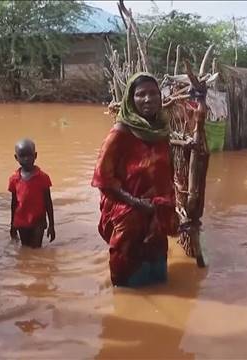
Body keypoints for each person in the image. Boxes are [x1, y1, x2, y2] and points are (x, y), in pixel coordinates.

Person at [92, 73, 178, 287]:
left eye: (153, 93)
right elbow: (103, 178)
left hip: (156, 214)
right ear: (131, 100)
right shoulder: (120, 132)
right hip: (129, 215)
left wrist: (163, 205)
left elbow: (168, 172)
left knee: (158, 277)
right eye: (141, 94)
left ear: (160, 97)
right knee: (127, 279)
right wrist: (137, 203)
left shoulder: (161, 131)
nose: (148, 99)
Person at [8, 139, 56, 248]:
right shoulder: (14, 179)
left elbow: (48, 203)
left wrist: (52, 225)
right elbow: (14, 203)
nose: (26, 159)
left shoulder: (43, 177)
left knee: (36, 248)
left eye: (29, 155)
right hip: (21, 221)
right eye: (22, 156)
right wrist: (12, 225)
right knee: (25, 248)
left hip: (38, 221)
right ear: (16, 157)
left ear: (35, 155)